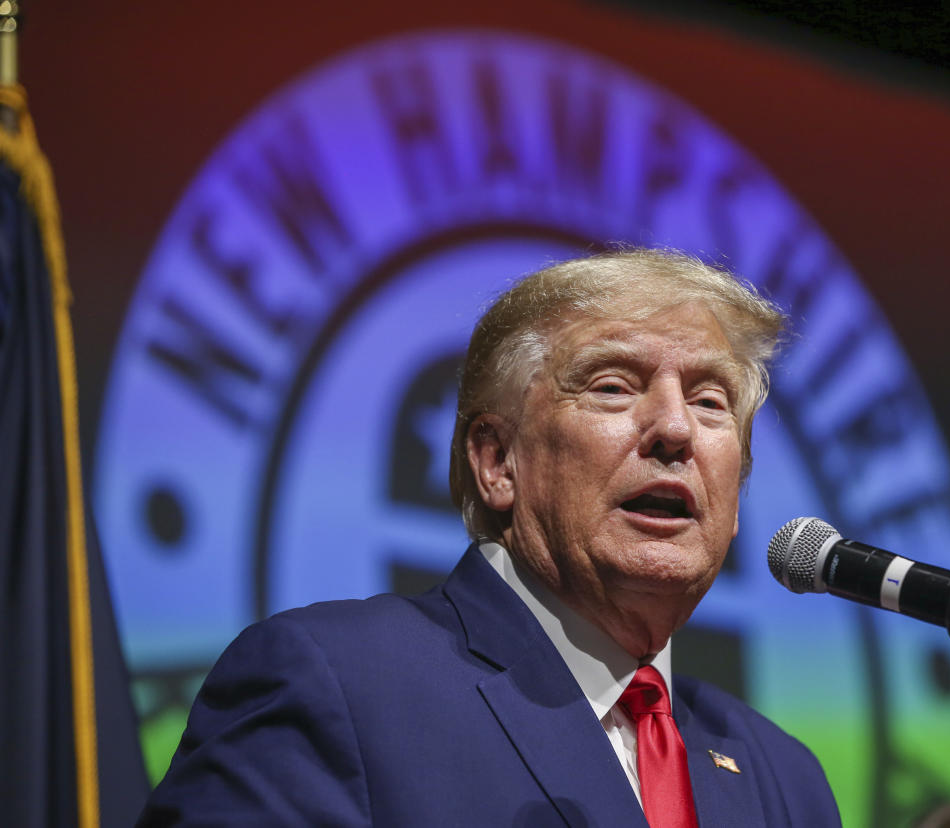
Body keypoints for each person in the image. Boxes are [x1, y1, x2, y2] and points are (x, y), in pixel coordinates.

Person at [139, 248, 842, 826]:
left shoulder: (784, 780)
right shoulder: (337, 685)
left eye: (710, 400)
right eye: (611, 386)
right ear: (497, 462)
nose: (675, 429)